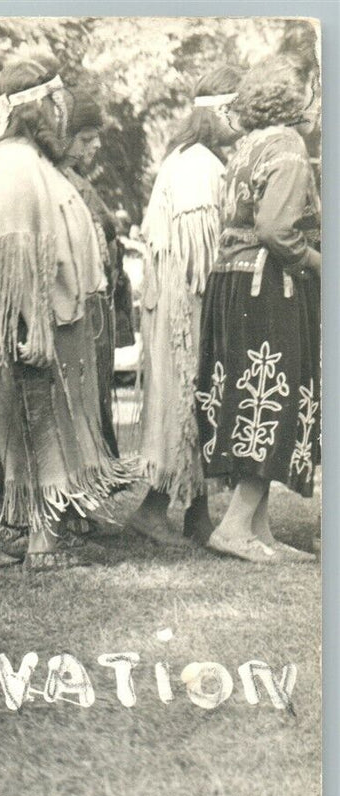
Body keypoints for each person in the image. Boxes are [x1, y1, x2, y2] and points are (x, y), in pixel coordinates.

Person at [0, 57, 133, 570]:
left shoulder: (20, 159)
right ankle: (42, 545)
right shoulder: (16, 163)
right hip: (27, 322)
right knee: (38, 422)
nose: (63, 112)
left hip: (12, 318)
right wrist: (33, 326)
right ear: (42, 107)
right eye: (58, 103)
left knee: (0, 426)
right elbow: (15, 250)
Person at [196, 55, 320, 564]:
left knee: (249, 396)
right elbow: (275, 229)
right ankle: (232, 526)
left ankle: (258, 529)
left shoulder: (248, 145)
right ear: (293, 98)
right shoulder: (289, 146)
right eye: (311, 93)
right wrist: (319, 262)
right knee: (271, 398)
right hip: (269, 286)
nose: (316, 103)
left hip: (232, 281)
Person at [127, 65, 243, 548]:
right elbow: (201, 253)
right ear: (220, 112)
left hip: (180, 299)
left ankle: (197, 515)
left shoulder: (192, 159)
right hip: (186, 303)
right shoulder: (197, 164)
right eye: (237, 111)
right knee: (184, 400)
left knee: (196, 402)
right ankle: (152, 511)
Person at [59, 87, 129, 460]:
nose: (96, 145)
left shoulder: (75, 181)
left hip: (95, 304)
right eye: (86, 139)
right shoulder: (61, 182)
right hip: (79, 306)